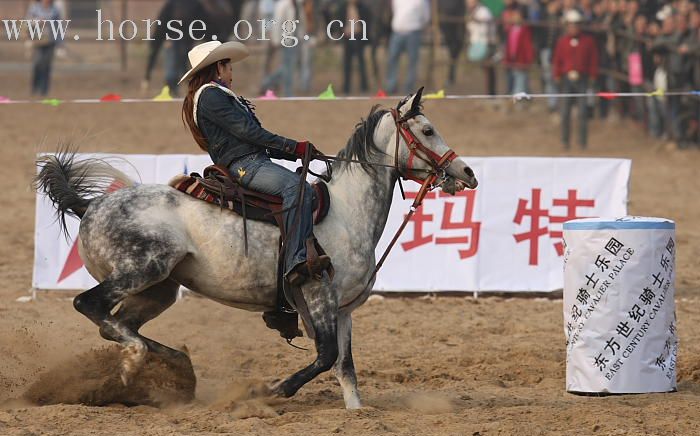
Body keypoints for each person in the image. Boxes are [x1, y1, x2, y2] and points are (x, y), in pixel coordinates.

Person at [179, 41, 331, 337]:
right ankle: (296, 262)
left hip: (249, 159)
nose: (232, 71)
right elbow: (249, 133)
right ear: (218, 67)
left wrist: (297, 152)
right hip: (245, 164)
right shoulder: (211, 96)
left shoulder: (213, 96)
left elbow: (252, 137)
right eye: (229, 65)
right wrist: (295, 146)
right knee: (298, 190)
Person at [553, 9, 599, 149]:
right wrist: (557, 74)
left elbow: (593, 59)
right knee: (565, 111)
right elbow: (557, 60)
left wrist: (592, 75)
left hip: (582, 78)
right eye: (571, 25)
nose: (573, 28)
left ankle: (582, 142)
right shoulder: (562, 42)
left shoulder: (588, 41)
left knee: (583, 112)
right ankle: (565, 141)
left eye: (576, 24)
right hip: (567, 79)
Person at [384, 0, 430, 94]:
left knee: (413, 60)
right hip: (397, 32)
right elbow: (394, 11)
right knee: (392, 58)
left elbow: (425, 17)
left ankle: (409, 87)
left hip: (413, 32)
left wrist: (417, 25)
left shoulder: (421, 1)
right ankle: (391, 86)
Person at [333, 0, 371, 94]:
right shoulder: (342, 8)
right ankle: (346, 87)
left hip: (359, 37)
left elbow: (368, 21)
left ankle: (364, 86)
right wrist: (341, 33)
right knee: (347, 64)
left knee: (361, 63)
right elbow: (338, 21)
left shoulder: (363, 8)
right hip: (347, 37)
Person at [26, 0, 62, 96]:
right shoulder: (34, 8)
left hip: (50, 41)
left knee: (47, 65)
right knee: (38, 64)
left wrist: (60, 44)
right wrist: (38, 21)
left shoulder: (55, 10)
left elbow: (58, 27)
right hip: (37, 41)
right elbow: (28, 22)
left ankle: (44, 89)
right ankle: (35, 87)